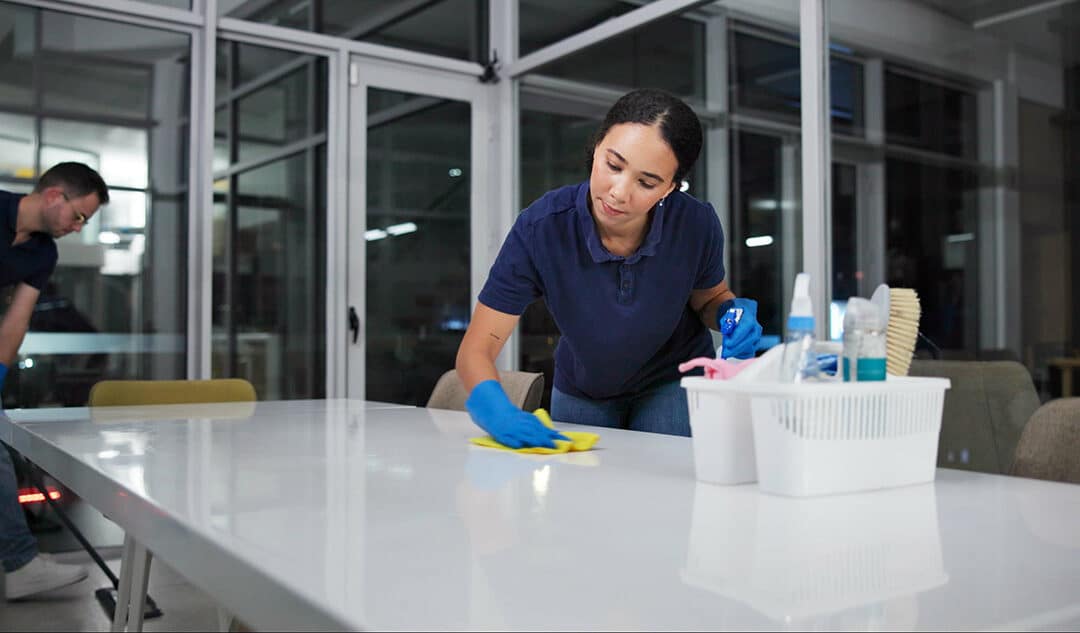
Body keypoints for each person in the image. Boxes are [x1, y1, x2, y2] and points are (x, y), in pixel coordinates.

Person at [456, 89, 763, 448]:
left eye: (646, 182)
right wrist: (495, 410)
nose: (619, 192)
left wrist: (730, 312)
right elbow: (477, 348)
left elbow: (709, 299)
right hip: (584, 385)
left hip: (671, 380)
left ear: (671, 188)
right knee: (586, 494)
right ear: (597, 146)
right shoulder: (542, 228)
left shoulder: (695, 224)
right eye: (613, 165)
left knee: (667, 491)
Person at [1, 162, 108, 600]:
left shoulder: (43, 253)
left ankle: (20, 563)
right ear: (53, 196)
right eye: (78, 216)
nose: (79, 228)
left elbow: (16, 322)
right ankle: (20, 562)